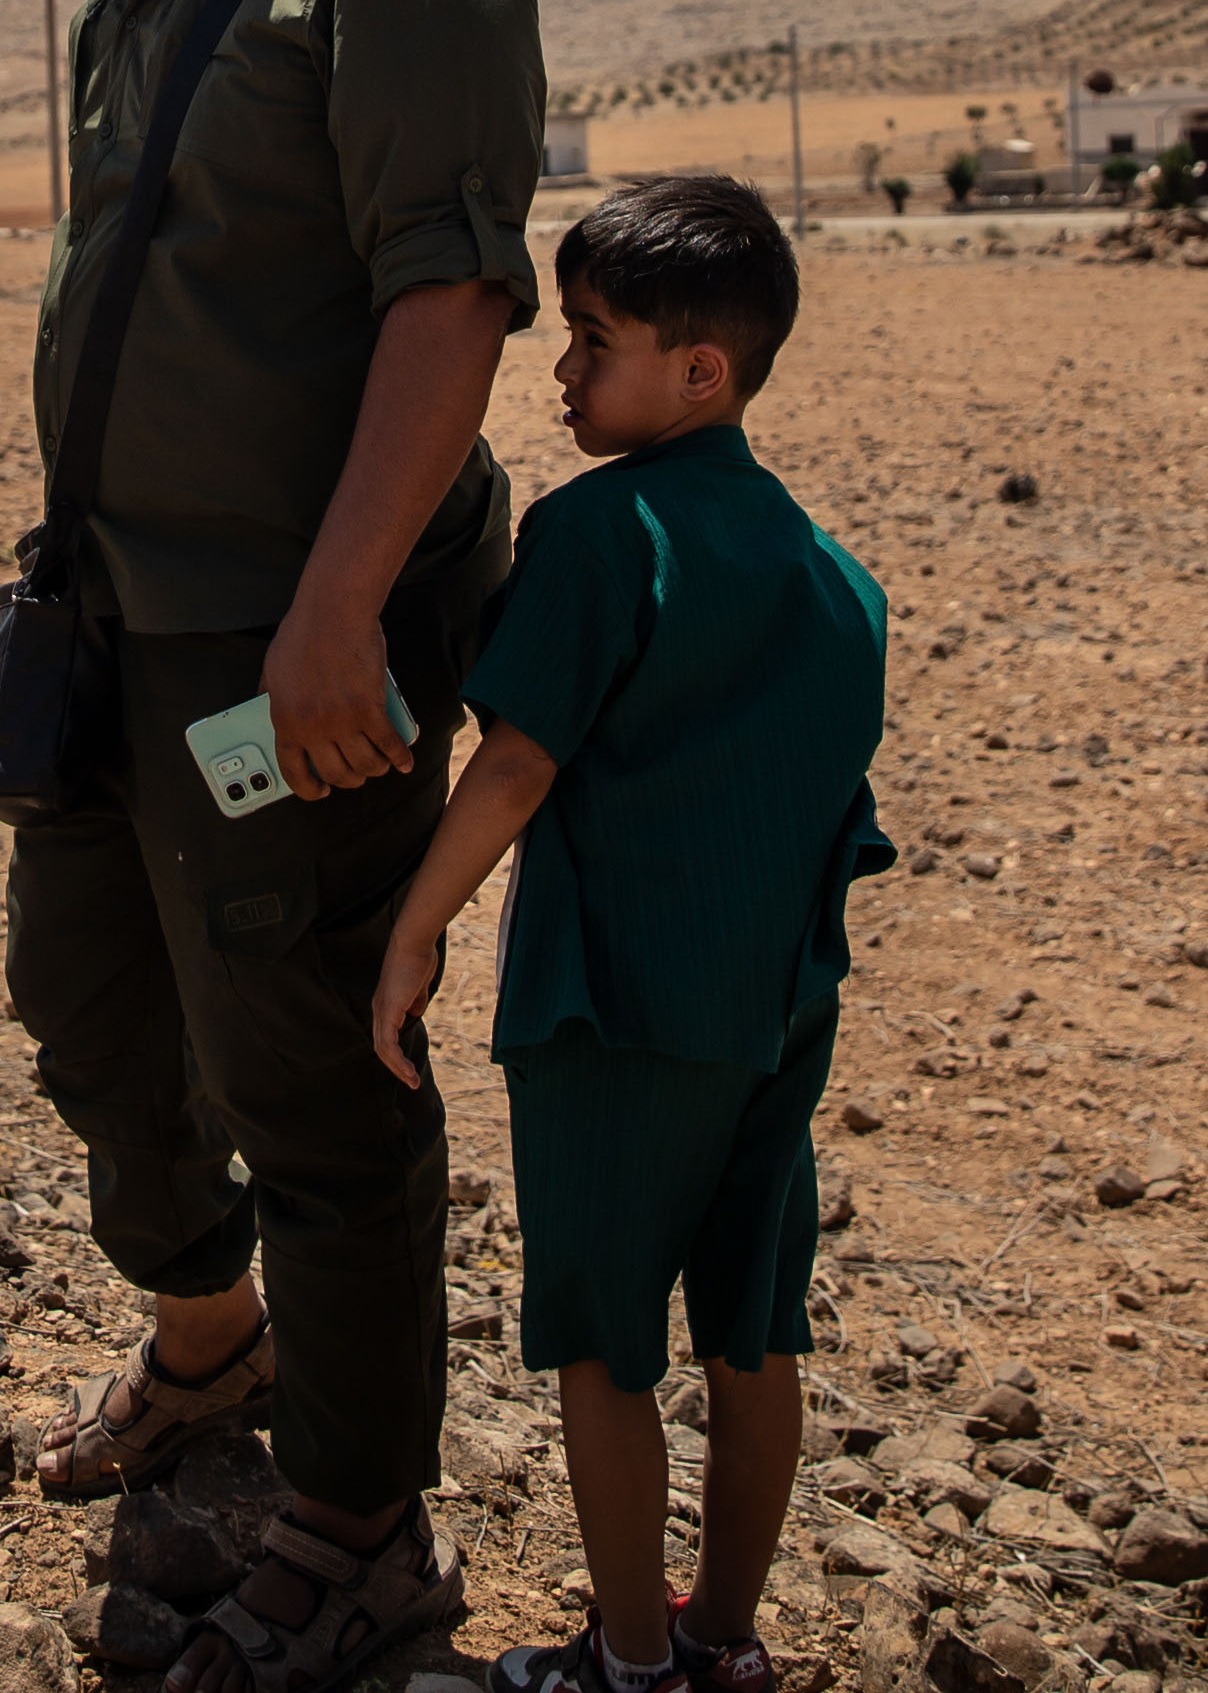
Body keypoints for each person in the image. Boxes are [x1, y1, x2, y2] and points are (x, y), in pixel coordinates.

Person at [0, 0, 545, 1693]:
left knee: (318, 1086)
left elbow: (449, 301)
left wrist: (339, 611)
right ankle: (213, 1340)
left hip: (289, 650)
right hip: (119, 622)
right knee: (84, 1004)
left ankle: (363, 1521)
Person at [368, 174, 893, 1693]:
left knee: (601, 1339)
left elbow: (517, 764)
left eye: (591, 338)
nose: (561, 369)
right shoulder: (833, 580)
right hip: (774, 1011)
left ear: (699, 370)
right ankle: (724, 1640)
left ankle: (628, 1663)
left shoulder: (601, 535)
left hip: (611, 1012)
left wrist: (410, 935)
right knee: (751, 1327)